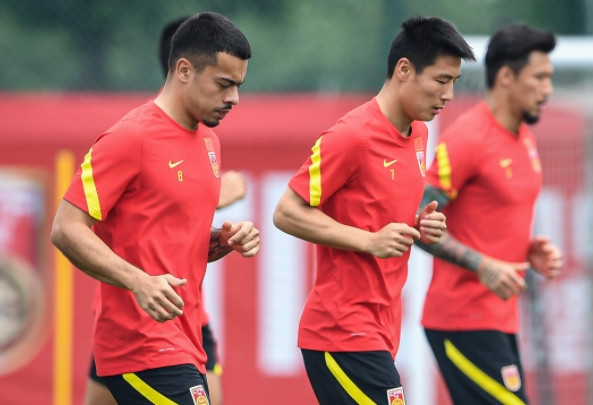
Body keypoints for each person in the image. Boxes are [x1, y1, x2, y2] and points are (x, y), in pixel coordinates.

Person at [51, 12, 259, 404]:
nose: (234, 98)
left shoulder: (209, 143)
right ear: (184, 70)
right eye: (224, 84)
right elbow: (65, 228)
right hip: (141, 345)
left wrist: (222, 240)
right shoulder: (130, 137)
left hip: (185, 339)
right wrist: (139, 281)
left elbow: (171, 243)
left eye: (238, 86)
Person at [273, 16, 474, 404]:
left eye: (454, 82)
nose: (448, 94)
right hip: (341, 331)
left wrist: (420, 224)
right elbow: (286, 212)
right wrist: (369, 241)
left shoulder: (419, 134)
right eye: (441, 80)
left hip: (381, 329)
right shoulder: (352, 135)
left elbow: (376, 213)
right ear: (404, 70)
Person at [416, 22, 563, 404]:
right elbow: (417, 222)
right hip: (461, 320)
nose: (548, 89)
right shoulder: (468, 138)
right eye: (540, 77)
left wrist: (526, 249)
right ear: (506, 77)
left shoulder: (523, 138)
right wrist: (482, 265)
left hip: (499, 319)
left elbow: (487, 219)